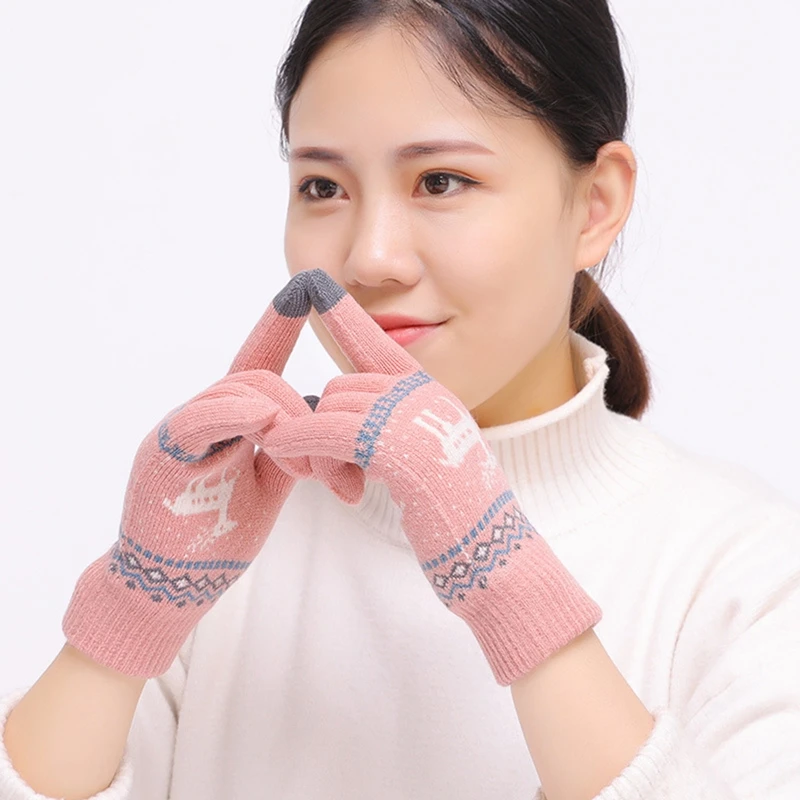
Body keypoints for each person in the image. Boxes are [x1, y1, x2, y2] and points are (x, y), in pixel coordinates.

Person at [2, 0, 798, 798]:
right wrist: (128, 611)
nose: (371, 258)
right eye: (323, 186)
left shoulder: (744, 571)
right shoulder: (224, 535)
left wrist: (513, 589)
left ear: (595, 205)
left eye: (441, 181)